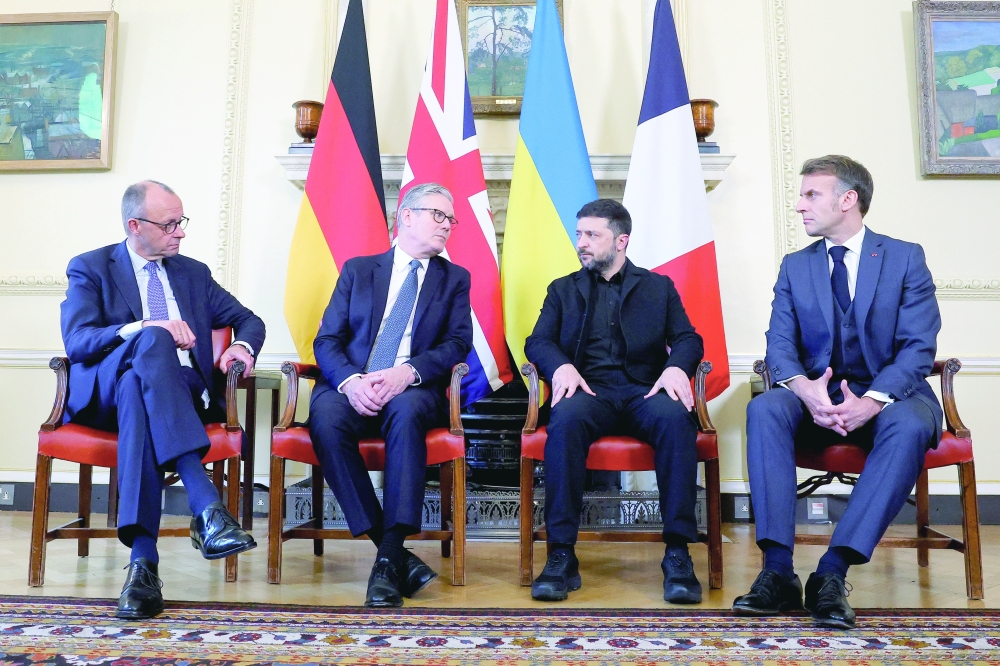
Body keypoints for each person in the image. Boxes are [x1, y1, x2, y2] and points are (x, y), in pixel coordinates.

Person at [733, 156, 942, 629]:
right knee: (766, 408)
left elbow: (917, 347)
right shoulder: (795, 266)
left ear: (848, 200)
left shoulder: (904, 257)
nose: (799, 205)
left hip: (891, 397)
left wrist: (871, 403)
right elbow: (780, 344)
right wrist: (806, 392)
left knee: (910, 423)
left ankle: (831, 573)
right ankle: (778, 572)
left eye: (811, 195)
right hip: (814, 398)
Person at [61, 180, 265, 619]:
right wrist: (147, 328)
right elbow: (77, 341)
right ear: (135, 225)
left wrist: (242, 348)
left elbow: (249, 319)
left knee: (143, 390)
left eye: (181, 221)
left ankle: (143, 565)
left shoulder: (193, 273)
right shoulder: (91, 267)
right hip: (107, 396)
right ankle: (206, 505)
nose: (181, 232)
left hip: (182, 392)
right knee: (146, 352)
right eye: (170, 224)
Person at [524, 198, 705, 604]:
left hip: (646, 390)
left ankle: (677, 552)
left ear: (621, 241)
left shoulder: (658, 287)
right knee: (565, 421)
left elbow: (689, 338)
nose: (581, 243)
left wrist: (677, 367)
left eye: (592, 235)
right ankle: (561, 554)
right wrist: (560, 368)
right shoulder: (562, 289)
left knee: (677, 421)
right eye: (579, 234)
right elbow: (537, 341)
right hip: (589, 391)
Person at [309, 182, 472, 608]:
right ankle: (393, 552)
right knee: (324, 418)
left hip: (411, 387)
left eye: (451, 219)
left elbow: (457, 344)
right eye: (438, 215)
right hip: (352, 383)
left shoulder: (454, 278)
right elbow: (327, 340)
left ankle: (388, 554)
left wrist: (408, 372)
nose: (447, 225)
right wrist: (351, 381)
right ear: (406, 216)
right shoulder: (359, 270)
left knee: (406, 411)